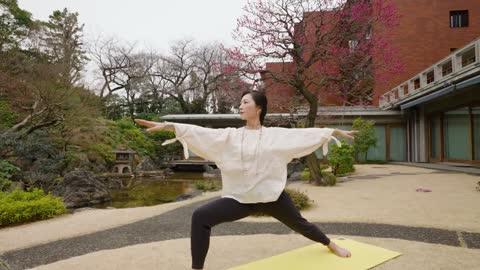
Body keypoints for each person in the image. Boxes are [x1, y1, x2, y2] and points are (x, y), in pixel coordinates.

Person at [135, 90, 357, 270]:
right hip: (240, 199)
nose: (240, 106)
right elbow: (202, 133)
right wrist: (170, 126)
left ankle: (331, 244)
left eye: (245, 102)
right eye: (240, 103)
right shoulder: (231, 135)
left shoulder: (275, 135)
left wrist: (333, 131)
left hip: (272, 197)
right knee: (200, 217)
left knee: (301, 225)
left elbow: (303, 135)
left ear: (258, 108)